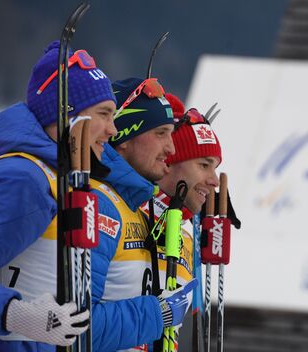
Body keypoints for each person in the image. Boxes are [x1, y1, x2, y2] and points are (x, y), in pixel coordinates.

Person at [0, 40, 117, 351]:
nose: (113, 129)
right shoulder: (24, 177)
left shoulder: (58, 180)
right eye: (104, 114)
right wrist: (15, 313)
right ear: (67, 115)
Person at [90, 77, 198, 352]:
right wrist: (157, 314)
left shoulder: (138, 206)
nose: (171, 149)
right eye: (160, 133)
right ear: (124, 138)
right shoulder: (99, 203)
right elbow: (74, 327)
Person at [139, 93, 223, 352]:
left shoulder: (186, 236)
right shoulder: (128, 213)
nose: (214, 180)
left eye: (216, 167)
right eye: (204, 165)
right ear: (170, 162)